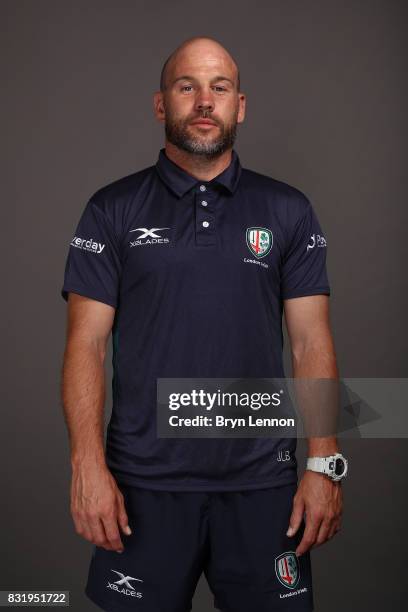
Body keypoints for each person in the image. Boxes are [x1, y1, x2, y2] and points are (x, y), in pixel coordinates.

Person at [61, 35, 346, 612]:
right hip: (143, 487)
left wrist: (324, 462)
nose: (204, 101)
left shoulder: (288, 211)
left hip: (264, 489)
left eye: (219, 88)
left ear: (240, 105)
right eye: (187, 86)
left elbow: (310, 340)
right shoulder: (111, 210)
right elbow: (85, 345)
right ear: (161, 104)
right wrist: (87, 465)